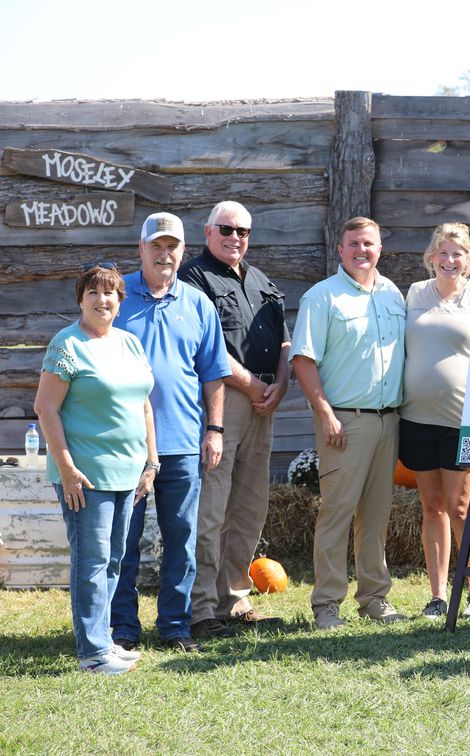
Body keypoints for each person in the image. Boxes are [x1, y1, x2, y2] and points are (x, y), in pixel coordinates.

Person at [111, 212, 230, 653]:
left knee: (181, 539)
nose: (164, 254)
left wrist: (214, 429)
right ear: (140, 249)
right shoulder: (115, 296)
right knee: (123, 540)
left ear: (182, 250)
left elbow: (213, 374)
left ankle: (175, 627)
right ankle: (122, 628)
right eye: (156, 246)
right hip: (125, 444)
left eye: (172, 247)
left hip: (182, 441)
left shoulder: (197, 303)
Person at [34, 263, 158, 674]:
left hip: (128, 472)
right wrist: (66, 468)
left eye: (110, 294)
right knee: (92, 560)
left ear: (121, 303)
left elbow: (144, 405)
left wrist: (151, 461)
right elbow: (45, 408)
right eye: (94, 293)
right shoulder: (67, 345)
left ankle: (104, 640)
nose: (102, 301)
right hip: (85, 475)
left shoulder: (129, 343)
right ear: (81, 300)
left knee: (114, 559)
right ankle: (92, 653)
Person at [181, 201, 291, 639]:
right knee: (212, 508)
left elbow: (284, 341)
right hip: (224, 400)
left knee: (250, 507)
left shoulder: (261, 280)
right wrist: (251, 385)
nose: (235, 237)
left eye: (243, 231)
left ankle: (234, 599)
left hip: (266, 400)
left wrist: (280, 384)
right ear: (208, 231)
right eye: (226, 229)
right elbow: (207, 347)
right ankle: (202, 609)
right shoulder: (194, 278)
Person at [291, 217, 407, 630]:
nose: (362, 250)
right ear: (341, 250)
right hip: (345, 422)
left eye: (369, 244)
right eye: (354, 243)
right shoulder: (323, 298)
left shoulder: (393, 294)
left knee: (376, 516)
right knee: (337, 514)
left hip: (387, 421)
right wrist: (324, 414)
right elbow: (303, 360)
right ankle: (326, 605)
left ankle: (375, 598)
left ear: (380, 249)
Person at [399, 222, 470, 620]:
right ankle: (437, 595)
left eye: (458, 253)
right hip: (416, 417)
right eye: (443, 252)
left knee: (461, 507)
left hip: (463, 420)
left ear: (468, 260)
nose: (450, 260)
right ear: (431, 257)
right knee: (432, 505)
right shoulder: (415, 293)